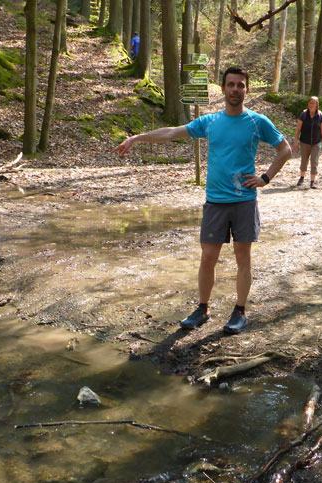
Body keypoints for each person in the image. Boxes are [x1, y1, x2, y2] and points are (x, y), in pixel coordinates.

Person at [112, 67, 291, 334]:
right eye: (231, 84)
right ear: (223, 88)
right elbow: (172, 132)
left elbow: (285, 149)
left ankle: (239, 311)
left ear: (247, 89)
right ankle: (203, 308)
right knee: (208, 258)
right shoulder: (210, 122)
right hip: (215, 201)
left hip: (244, 201)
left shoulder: (257, 122)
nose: (235, 89)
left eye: (240, 85)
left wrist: (265, 178)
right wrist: (137, 138)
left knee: (243, 258)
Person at [292, 96, 322, 189]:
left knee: (314, 162)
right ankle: (301, 178)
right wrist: (295, 143)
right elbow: (298, 130)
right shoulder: (304, 114)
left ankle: (312, 182)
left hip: (316, 143)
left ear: (317, 105)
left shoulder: (320, 115)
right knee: (304, 161)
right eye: (310, 103)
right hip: (304, 142)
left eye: (313, 103)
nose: (311, 105)